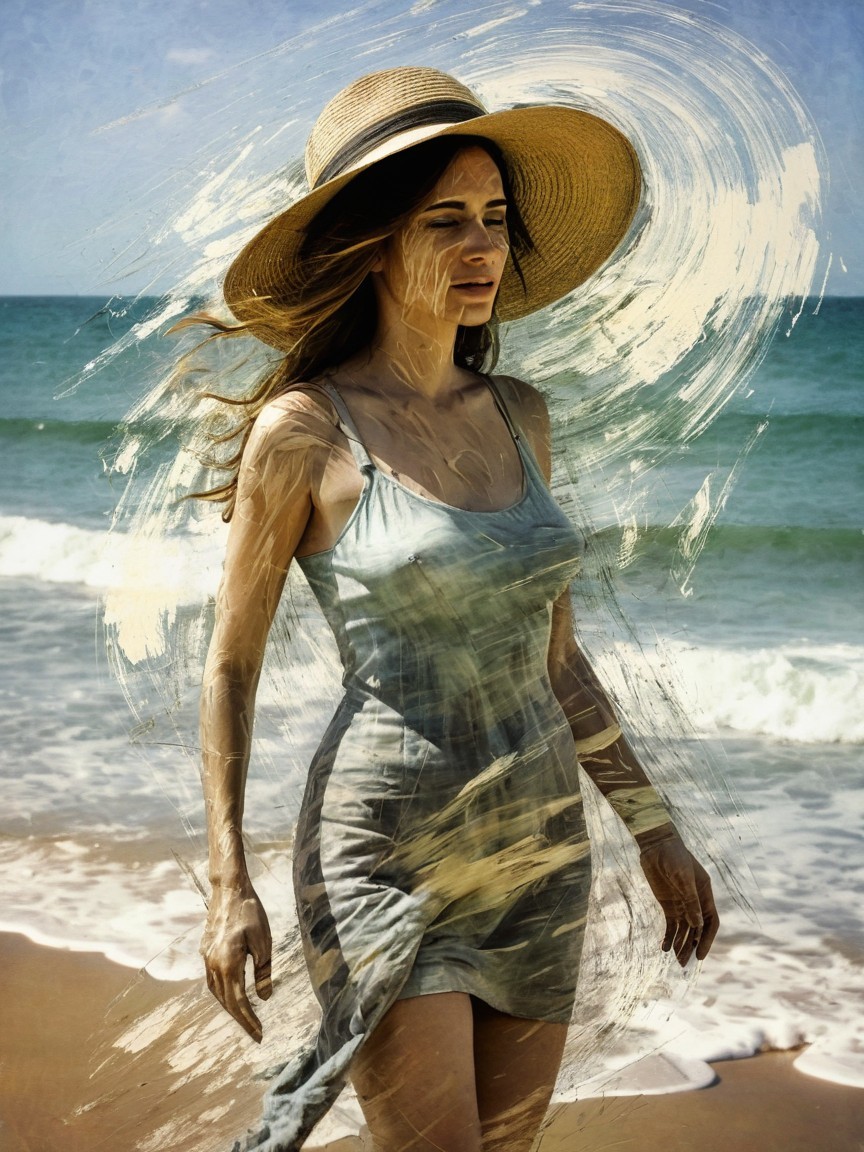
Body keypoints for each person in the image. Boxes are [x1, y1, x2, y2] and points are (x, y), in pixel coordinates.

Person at [195, 66, 719, 1152]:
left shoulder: (522, 416)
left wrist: (652, 825)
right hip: (384, 852)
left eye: (494, 220)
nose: (484, 248)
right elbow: (231, 669)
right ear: (375, 243)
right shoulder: (302, 433)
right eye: (448, 222)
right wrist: (227, 884)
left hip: (538, 852)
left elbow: (556, 659)